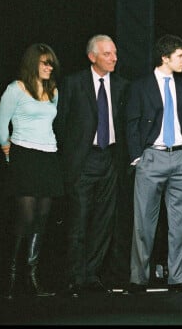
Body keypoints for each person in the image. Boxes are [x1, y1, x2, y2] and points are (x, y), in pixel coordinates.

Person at [125, 34, 182, 294]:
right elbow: (132, 123)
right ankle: (139, 279)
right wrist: (138, 156)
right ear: (164, 57)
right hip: (153, 156)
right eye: (180, 56)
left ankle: (178, 278)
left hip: (181, 157)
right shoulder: (140, 86)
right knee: (143, 223)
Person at [55, 34, 129, 298]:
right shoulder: (74, 83)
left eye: (115, 53)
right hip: (83, 160)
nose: (114, 58)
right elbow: (61, 123)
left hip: (110, 159)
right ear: (92, 56)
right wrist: (73, 155)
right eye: (107, 54)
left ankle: (91, 274)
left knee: (103, 221)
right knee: (79, 219)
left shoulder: (122, 85)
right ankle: (74, 276)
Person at [0, 43, 63, 299]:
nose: (49, 67)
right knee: (25, 217)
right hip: (24, 154)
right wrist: (11, 155)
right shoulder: (15, 89)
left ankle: (32, 277)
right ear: (33, 63)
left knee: (42, 218)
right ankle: (10, 278)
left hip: (48, 156)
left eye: (51, 64)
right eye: (45, 62)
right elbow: (1, 127)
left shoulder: (53, 91)